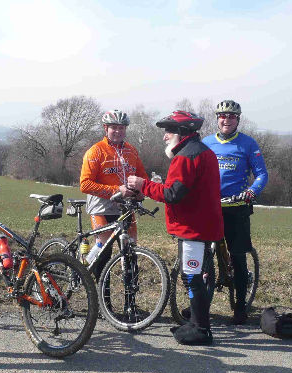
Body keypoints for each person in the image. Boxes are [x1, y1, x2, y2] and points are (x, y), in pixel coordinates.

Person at [127, 110, 223, 345]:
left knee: (192, 276)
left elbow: (172, 194)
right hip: (201, 225)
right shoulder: (201, 151)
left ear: (181, 132)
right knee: (195, 275)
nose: (164, 137)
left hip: (193, 228)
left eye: (168, 131)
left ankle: (201, 329)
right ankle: (195, 323)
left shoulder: (186, 157)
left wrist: (143, 185)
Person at [202, 100, 268, 325]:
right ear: (217, 118)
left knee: (238, 257)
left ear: (238, 119)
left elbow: (261, 174)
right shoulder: (206, 142)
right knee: (202, 259)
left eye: (231, 116)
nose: (226, 120)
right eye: (222, 116)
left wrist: (251, 191)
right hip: (210, 208)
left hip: (237, 207)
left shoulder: (248, 144)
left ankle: (240, 306)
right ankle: (200, 305)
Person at [79, 109, 148, 277]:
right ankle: (97, 291)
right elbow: (85, 184)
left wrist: (142, 191)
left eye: (122, 128)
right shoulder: (96, 151)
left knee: (131, 253)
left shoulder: (131, 151)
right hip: (102, 208)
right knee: (103, 251)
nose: (118, 131)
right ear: (105, 128)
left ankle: (130, 302)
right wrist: (117, 190)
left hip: (125, 208)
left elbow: (142, 177)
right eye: (114, 128)